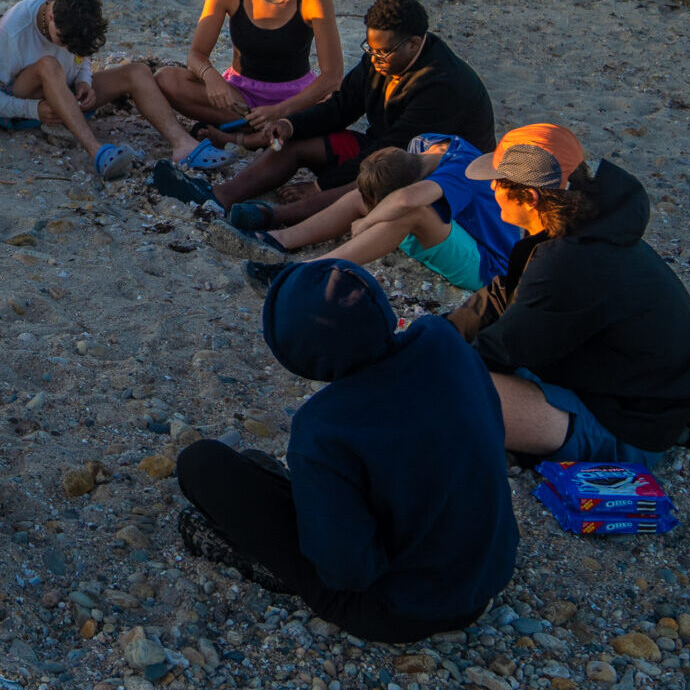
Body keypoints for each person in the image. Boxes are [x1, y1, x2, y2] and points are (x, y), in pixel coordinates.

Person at [175, 258, 515, 643]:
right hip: (489, 575)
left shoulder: (324, 427)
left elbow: (347, 572)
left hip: (400, 611)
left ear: (295, 353)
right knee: (262, 470)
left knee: (203, 465)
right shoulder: (443, 341)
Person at [452, 124, 690, 465]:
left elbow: (503, 349)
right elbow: (501, 295)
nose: (492, 186)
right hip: (610, 391)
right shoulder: (585, 226)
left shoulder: (571, 261)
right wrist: (442, 333)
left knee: (453, 387)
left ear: (530, 197)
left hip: (630, 429)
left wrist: (425, 361)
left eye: (499, 180)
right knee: (446, 365)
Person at [154, 0, 493, 229]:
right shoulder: (378, 61)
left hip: (437, 173)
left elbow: (395, 148)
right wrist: (290, 124)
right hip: (387, 151)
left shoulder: (442, 84)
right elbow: (341, 107)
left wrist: (320, 186)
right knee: (296, 142)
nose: (374, 59)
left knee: (368, 180)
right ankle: (218, 197)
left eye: (383, 52)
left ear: (415, 44)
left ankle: (274, 219)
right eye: (369, 48)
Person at [213, 133, 522, 293]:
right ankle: (279, 238)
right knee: (367, 196)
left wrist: (368, 220)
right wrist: (370, 207)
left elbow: (405, 200)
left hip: (488, 264)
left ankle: (305, 271)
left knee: (412, 212)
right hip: (455, 230)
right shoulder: (426, 144)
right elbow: (394, 186)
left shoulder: (458, 171)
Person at [0, 0, 207, 180]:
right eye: (65, 42)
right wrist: (33, 110)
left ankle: (183, 144)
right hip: (23, 106)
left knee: (137, 71)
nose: (70, 49)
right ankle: (97, 152)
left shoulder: (69, 11)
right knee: (48, 64)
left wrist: (85, 80)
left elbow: (81, 55)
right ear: (50, 17)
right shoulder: (16, 29)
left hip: (66, 95)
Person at [154, 0, 345, 160]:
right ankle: (264, 131)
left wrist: (280, 110)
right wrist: (211, 77)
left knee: (335, 100)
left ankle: (246, 136)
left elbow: (333, 75)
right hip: (240, 98)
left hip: (296, 100)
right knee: (166, 79)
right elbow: (196, 55)